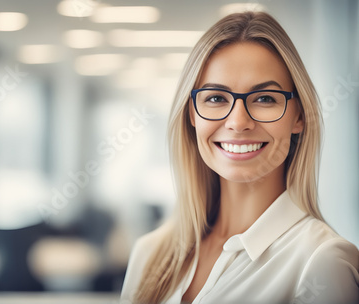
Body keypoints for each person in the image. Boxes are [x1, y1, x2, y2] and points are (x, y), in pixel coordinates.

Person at [120, 11, 359, 304]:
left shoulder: (323, 261)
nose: (238, 122)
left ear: (299, 116)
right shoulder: (150, 253)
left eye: (264, 98)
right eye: (216, 98)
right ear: (192, 115)